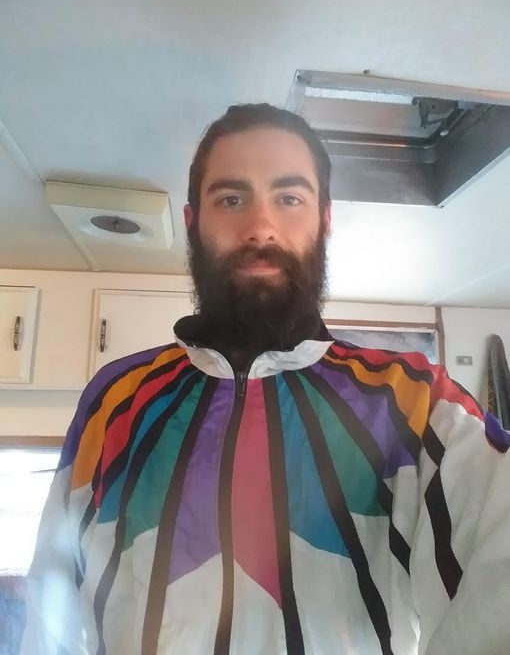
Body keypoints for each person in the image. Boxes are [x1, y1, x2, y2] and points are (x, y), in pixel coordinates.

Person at [22, 104, 510, 655]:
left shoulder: (413, 399)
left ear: (325, 220)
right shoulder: (114, 401)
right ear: (192, 223)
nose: (260, 227)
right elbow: (53, 610)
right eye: (231, 200)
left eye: (289, 198)